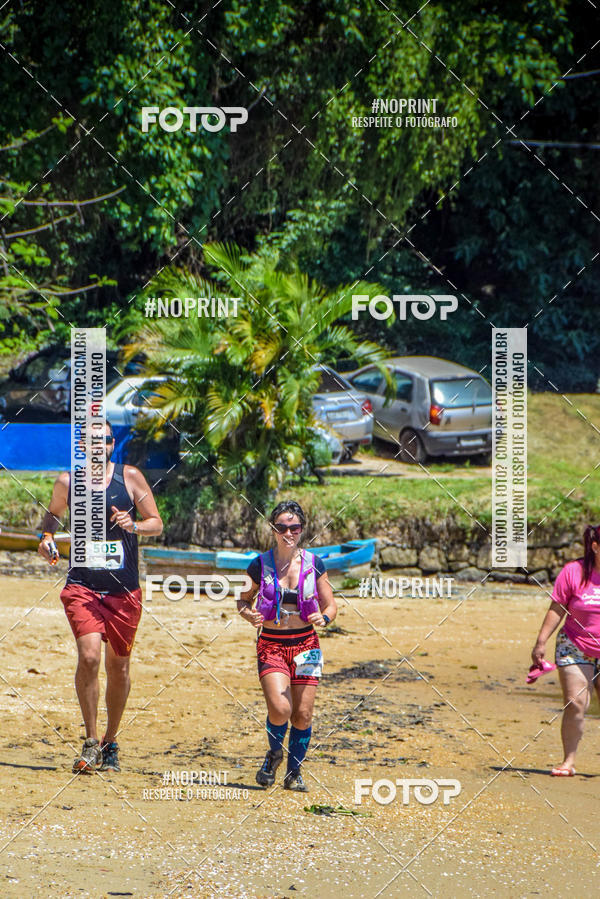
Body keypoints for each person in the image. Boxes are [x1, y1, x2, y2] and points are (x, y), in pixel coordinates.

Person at [38, 419, 163, 774]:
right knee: (90, 657)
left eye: (106, 440)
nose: (100, 446)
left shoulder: (130, 477)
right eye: (93, 441)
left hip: (124, 590)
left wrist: (134, 525)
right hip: (82, 585)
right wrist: (46, 538)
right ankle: (91, 741)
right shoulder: (68, 482)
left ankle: (111, 741)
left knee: (118, 667)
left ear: (112, 443)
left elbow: (156, 523)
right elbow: (52, 516)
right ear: (83, 446)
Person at [237, 500, 337, 792]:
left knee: (302, 715)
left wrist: (324, 618)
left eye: (294, 528)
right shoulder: (259, 564)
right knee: (281, 709)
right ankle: (274, 753)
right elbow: (242, 600)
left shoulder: (314, 564)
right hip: (272, 644)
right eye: (282, 527)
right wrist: (249, 614)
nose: (288, 533)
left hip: (307, 643)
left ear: (302, 530)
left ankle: (294, 773)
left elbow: (331, 605)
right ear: (273, 529)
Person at [532, 524, 600, 776]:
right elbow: (558, 607)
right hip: (575, 644)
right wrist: (541, 642)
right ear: (595, 547)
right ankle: (568, 761)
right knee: (575, 702)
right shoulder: (574, 572)